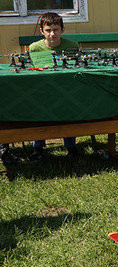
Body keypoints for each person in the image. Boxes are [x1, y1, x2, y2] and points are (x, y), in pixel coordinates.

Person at [28, 12, 80, 161]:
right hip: (42, 90)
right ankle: (37, 148)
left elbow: (77, 69)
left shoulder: (72, 46)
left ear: (62, 30)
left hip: (66, 90)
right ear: (42, 31)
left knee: (69, 108)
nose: (52, 34)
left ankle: (71, 147)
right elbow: (30, 73)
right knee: (38, 108)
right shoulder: (34, 48)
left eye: (56, 30)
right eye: (48, 30)